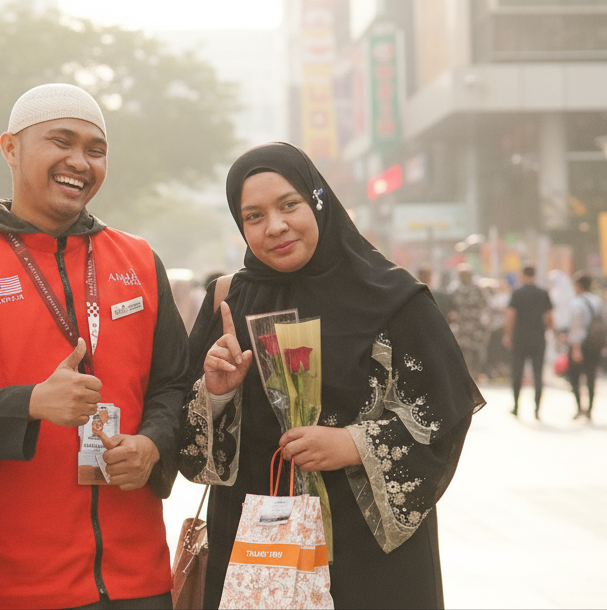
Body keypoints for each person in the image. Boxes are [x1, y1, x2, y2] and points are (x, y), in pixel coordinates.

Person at [178, 142, 484, 608]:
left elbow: (442, 414)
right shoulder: (230, 302)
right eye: (254, 216)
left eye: (289, 205)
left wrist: (353, 444)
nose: (275, 226)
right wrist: (216, 395)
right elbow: (186, 438)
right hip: (259, 554)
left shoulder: (393, 298)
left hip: (370, 558)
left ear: (318, 201)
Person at [0, 83, 190, 609]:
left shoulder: (139, 260)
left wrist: (153, 443)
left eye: (95, 149)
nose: (80, 162)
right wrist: (32, 403)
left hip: (138, 579)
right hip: (11, 582)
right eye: (61, 142)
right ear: (10, 148)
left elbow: (176, 383)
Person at [503, 265, 553, 418]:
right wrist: (544, 330)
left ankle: (516, 406)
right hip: (538, 338)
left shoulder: (517, 293)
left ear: (523, 275)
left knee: (517, 373)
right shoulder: (543, 293)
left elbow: (511, 316)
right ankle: (537, 409)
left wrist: (508, 334)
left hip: (520, 338)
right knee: (538, 374)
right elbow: (549, 318)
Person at [567, 273, 605, 421]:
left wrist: (576, 348)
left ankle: (579, 407)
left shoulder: (577, 303)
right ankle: (590, 409)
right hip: (595, 343)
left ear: (578, 286)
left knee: (575, 377)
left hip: (581, 344)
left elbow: (576, 327)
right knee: (591, 377)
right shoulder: (598, 301)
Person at [451, 264, 489, 378]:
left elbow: (486, 306)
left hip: (476, 327)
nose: (464, 277)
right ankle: (464, 377)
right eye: (462, 275)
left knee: (476, 352)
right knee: (461, 353)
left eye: (466, 275)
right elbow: (451, 307)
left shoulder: (478, 289)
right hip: (461, 328)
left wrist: (485, 321)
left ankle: (476, 375)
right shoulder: (455, 290)